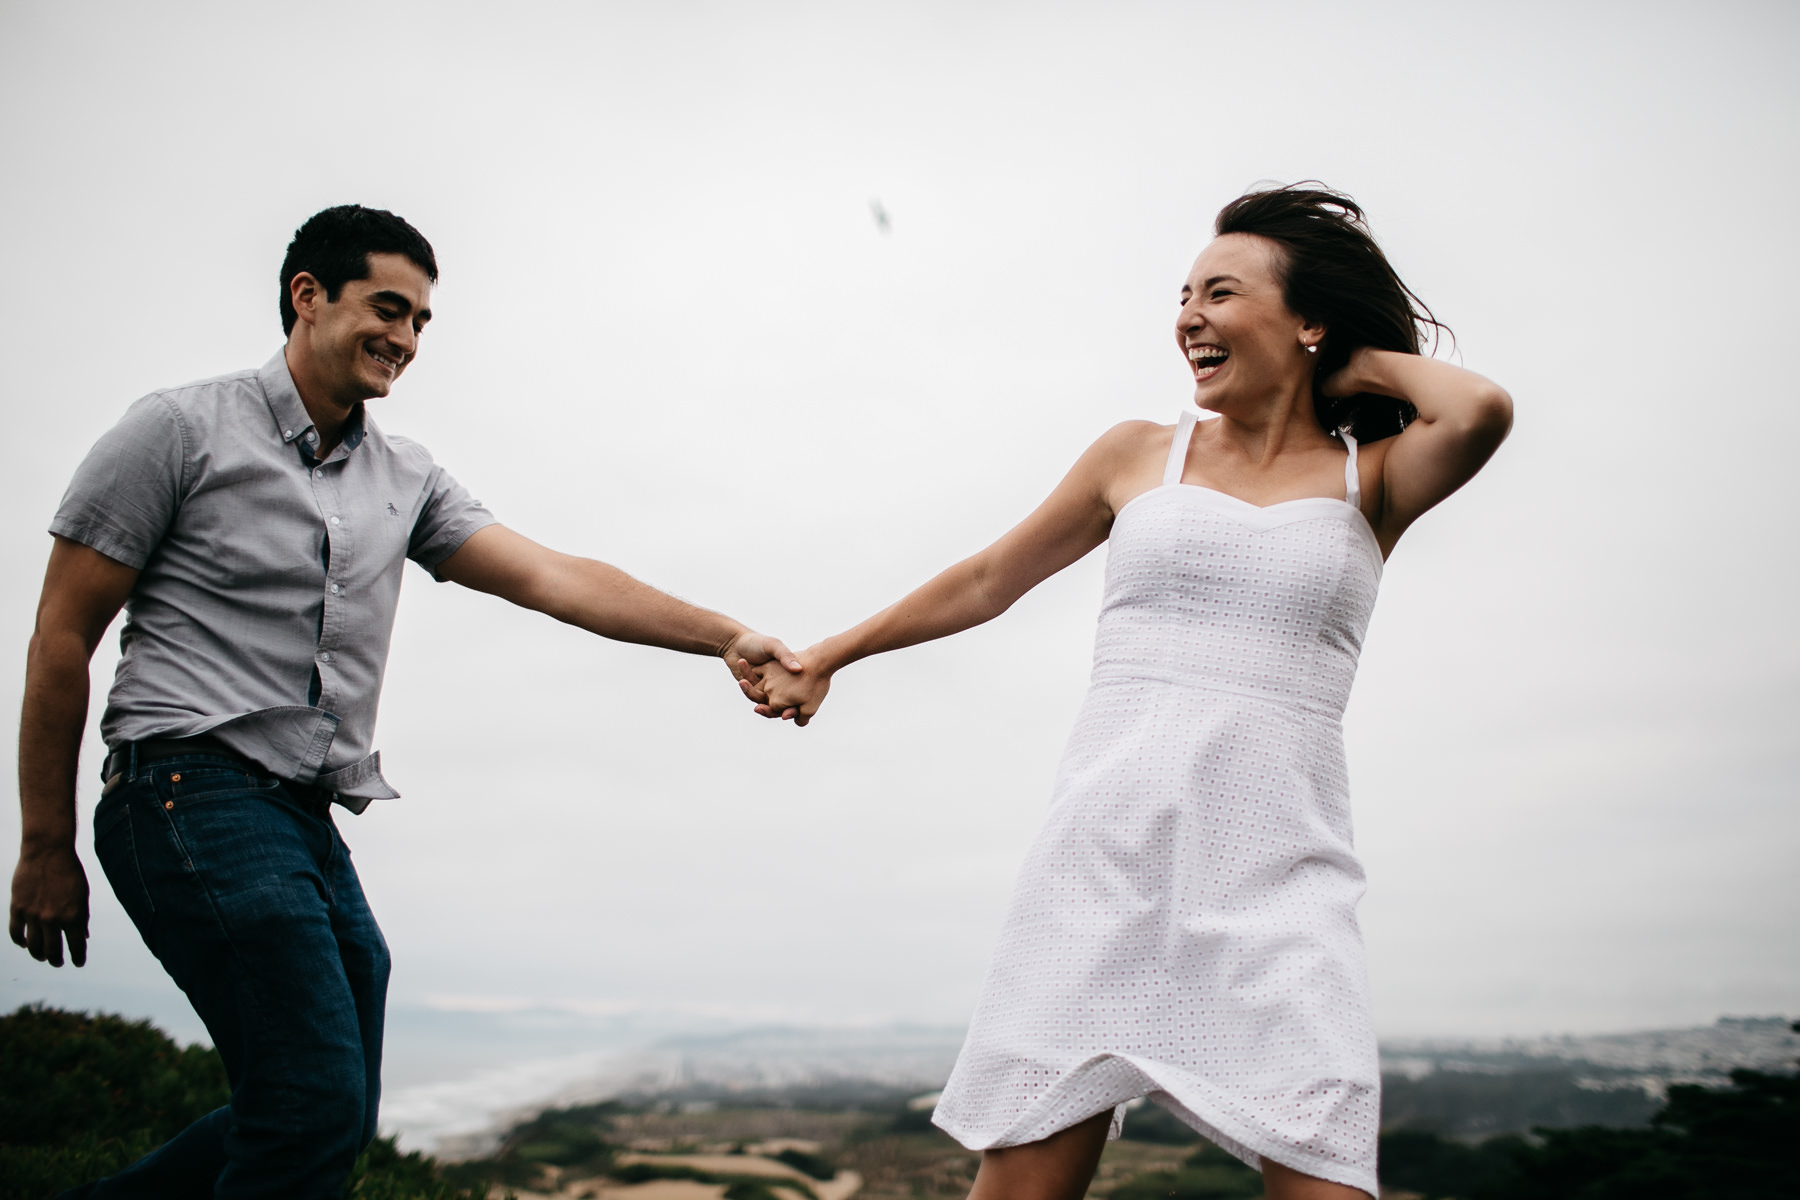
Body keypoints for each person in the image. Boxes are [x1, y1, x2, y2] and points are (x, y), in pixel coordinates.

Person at [8, 204, 800, 1198]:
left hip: (303, 820)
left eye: (423, 321)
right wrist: (45, 844)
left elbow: (556, 577)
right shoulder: (177, 431)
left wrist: (725, 634)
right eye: (389, 308)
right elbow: (60, 638)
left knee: (317, 1107)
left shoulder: (405, 477)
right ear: (309, 296)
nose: (407, 338)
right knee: (308, 1105)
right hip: (184, 792)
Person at [747, 184, 1512, 1200]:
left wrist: (1333, 361)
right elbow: (988, 580)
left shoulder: (1368, 482)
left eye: (1222, 293)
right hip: (1104, 856)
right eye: (1183, 293)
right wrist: (831, 653)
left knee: (1323, 1169)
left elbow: (1481, 407)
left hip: (1282, 876)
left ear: (1307, 320)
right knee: (1025, 1177)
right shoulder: (1138, 455)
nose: (1188, 315)